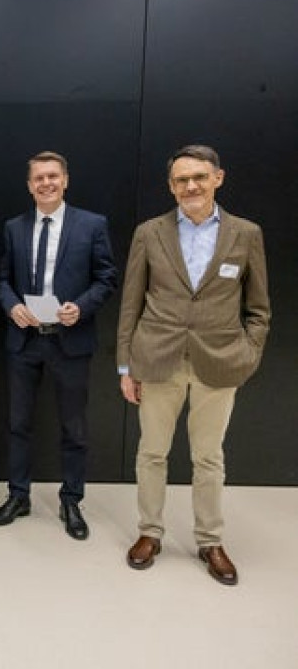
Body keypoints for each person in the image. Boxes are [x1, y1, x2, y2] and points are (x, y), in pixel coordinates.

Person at [118, 145, 270, 586]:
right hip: (157, 359)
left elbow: (259, 308)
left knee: (209, 457)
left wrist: (249, 352)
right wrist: (125, 367)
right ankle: (149, 532)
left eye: (199, 177)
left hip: (219, 363)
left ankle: (210, 539)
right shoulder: (150, 232)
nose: (191, 186)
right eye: (182, 180)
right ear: (171, 186)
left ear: (218, 178)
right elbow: (130, 303)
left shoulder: (246, 234)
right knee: (151, 453)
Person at [0, 151, 117, 540]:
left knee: (74, 427)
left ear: (65, 180)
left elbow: (106, 278)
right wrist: (12, 308)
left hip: (70, 340)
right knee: (18, 423)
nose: (46, 183)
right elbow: (3, 280)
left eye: (53, 177)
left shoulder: (92, 225)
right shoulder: (14, 227)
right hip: (25, 340)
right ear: (29, 185)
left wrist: (80, 307)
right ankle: (19, 495)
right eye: (38, 178)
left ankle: (71, 500)